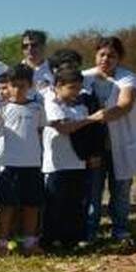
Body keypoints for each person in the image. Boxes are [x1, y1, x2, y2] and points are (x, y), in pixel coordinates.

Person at [83, 36, 136, 246]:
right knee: (92, 191)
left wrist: (93, 117)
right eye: (102, 54)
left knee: (121, 191)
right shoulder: (83, 77)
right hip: (93, 147)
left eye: (111, 55)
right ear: (96, 55)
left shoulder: (128, 78)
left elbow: (125, 105)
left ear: (119, 58)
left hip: (121, 145)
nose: (106, 59)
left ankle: (121, 230)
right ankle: (90, 232)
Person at [0, 64, 46, 255]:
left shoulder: (37, 108)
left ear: (30, 85)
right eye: (13, 85)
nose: (17, 89)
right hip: (9, 165)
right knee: (7, 206)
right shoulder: (1, 109)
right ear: (8, 86)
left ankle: (30, 242)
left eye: (22, 85)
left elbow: (40, 132)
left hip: (32, 165)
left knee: (32, 206)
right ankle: (2, 242)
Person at [41, 67, 94, 250]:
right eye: (72, 87)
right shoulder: (50, 102)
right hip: (56, 165)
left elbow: (87, 133)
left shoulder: (81, 105)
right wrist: (91, 119)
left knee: (74, 205)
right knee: (55, 205)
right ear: (58, 85)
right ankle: (48, 241)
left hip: (77, 163)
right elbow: (63, 128)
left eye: (79, 88)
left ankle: (70, 241)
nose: (76, 92)